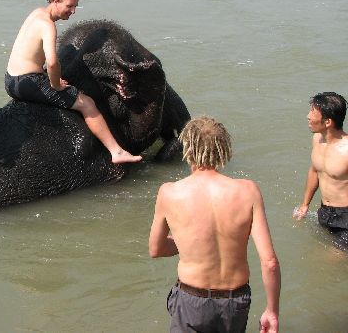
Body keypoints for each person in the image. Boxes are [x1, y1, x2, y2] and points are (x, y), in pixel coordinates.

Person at [148, 116, 280, 333]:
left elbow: (156, 249)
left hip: (191, 300)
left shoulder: (170, 192)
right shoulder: (249, 191)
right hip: (234, 301)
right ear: (223, 148)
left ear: (188, 148)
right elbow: (270, 262)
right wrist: (272, 311)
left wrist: (192, 242)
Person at [4, 0, 141, 165]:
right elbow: (52, 62)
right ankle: (116, 152)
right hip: (26, 83)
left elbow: (32, 57)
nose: (73, 11)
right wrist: (55, 85)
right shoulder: (48, 26)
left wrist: (47, 77)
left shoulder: (36, 13)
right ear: (55, 1)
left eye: (75, 6)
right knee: (87, 104)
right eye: (69, 6)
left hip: (10, 80)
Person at [293, 92, 348, 246]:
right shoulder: (317, 139)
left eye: (312, 112)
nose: (308, 116)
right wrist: (305, 205)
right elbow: (315, 170)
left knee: (331, 260)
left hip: (346, 217)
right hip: (325, 212)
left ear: (328, 121)